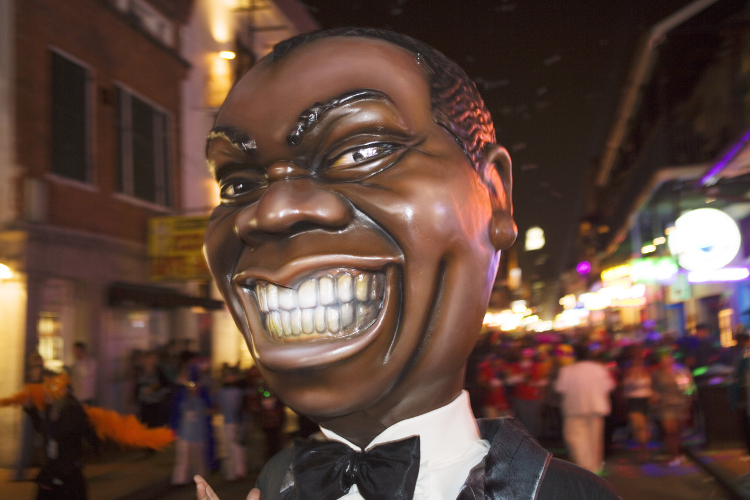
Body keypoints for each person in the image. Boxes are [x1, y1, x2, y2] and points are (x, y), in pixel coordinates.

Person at [198, 27, 620, 500]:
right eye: (237, 184)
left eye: (363, 151)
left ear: (495, 196)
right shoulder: (277, 485)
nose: (271, 212)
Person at [24, 372, 99, 500]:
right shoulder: (51, 410)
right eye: (45, 386)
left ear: (64, 390)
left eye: (51, 387)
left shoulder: (74, 412)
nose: (45, 391)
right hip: (50, 473)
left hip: (67, 476)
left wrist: (97, 443)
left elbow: (89, 435)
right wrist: (31, 410)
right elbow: (46, 431)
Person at [555, 343, 616, 473]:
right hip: (596, 408)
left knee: (576, 440)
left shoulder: (567, 370)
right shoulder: (599, 369)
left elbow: (560, 388)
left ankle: (585, 468)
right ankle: (594, 467)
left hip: (574, 409)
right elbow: (609, 386)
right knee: (595, 440)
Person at [652, 351, 695, 467]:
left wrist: (688, 400)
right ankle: (672, 455)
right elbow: (654, 389)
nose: (666, 361)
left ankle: (678, 453)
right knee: (670, 431)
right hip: (665, 406)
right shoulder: (657, 374)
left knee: (678, 432)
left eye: (668, 358)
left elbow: (688, 388)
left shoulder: (681, 372)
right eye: (663, 359)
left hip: (681, 405)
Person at [621, 348, 652, 462]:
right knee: (637, 426)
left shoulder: (647, 370)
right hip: (633, 401)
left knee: (644, 427)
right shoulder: (628, 371)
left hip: (645, 400)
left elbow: (651, 386)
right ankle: (642, 450)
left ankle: (644, 450)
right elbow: (624, 388)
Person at [69, 342, 97, 406]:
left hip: (86, 396)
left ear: (82, 351)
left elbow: (85, 374)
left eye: (76, 351)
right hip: (76, 395)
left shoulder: (91, 363)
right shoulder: (75, 364)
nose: (74, 353)